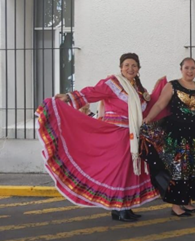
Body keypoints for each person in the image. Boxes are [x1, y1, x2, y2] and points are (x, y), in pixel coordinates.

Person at [36, 53, 160, 222]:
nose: (130, 68)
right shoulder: (113, 83)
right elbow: (93, 92)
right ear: (121, 68)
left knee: (130, 171)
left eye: (134, 66)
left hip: (132, 136)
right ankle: (119, 208)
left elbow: (146, 110)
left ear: (138, 69)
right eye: (127, 65)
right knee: (119, 172)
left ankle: (124, 207)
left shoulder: (139, 89)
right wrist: (68, 97)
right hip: (116, 134)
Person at [142, 57, 195, 217]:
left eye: (193, 68)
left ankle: (187, 202)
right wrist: (148, 120)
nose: (189, 71)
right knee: (179, 169)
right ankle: (176, 205)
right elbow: (160, 104)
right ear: (181, 69)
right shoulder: (172, 85)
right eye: (187, 68)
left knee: (192, 168)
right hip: (177, 134)